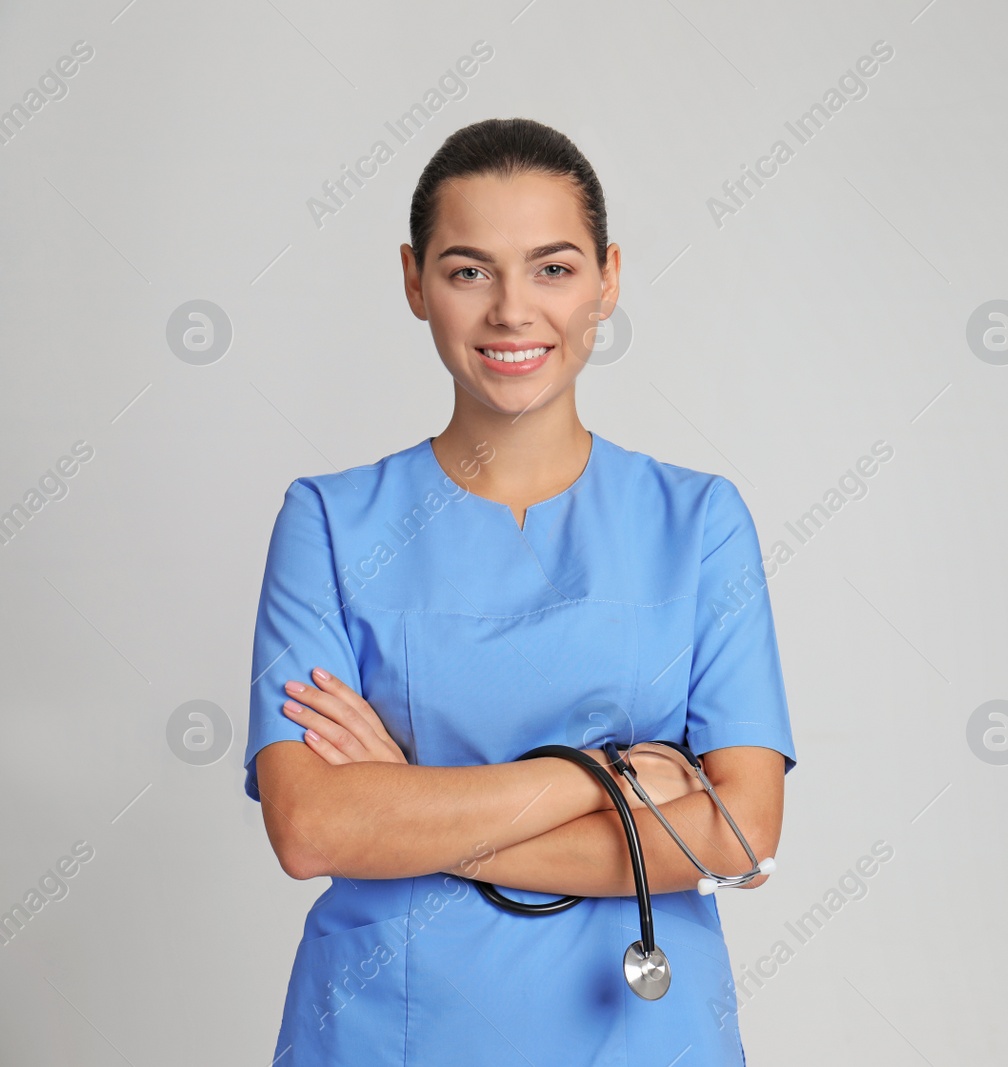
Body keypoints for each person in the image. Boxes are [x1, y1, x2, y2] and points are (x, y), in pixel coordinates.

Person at [243, 117, 796, 1065]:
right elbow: (308, 826)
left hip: (641, 1036)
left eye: (553, 268)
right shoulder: (330, 523)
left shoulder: (698, 523)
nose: (512, 310)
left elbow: (737, 835)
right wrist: (606, 783)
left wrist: (403, 809)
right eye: (468, 271)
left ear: (608, 279)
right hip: (388, 1029)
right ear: (415, 281)